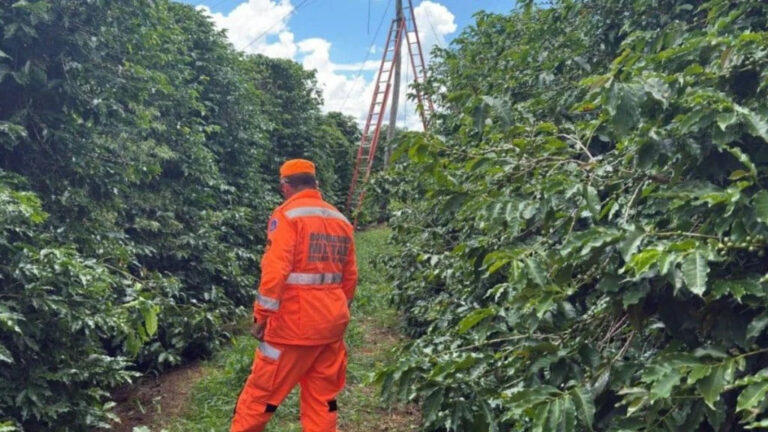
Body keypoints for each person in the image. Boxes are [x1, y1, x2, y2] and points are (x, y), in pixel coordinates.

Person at [231, 159, 358, 432]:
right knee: (323, 401)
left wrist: (261, 315)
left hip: (291, 329)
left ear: (285, 186)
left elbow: (275, 271)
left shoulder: (287, 216)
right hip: (331, 328)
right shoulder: (341, 220)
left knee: (262, 399)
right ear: (316, 184)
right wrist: (334, 308)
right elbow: (350, 278)